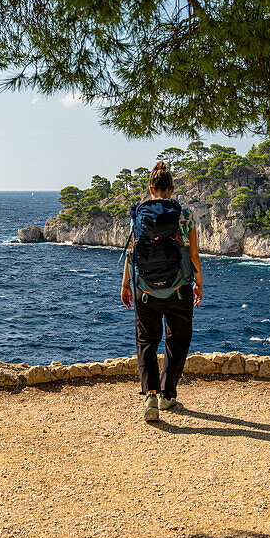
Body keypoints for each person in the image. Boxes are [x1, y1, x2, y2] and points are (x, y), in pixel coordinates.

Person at [121, 161, 203, 422]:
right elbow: (193, 254)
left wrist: (126, 285)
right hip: (179, 289)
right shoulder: (185, 214)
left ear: (151, 188)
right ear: (171, 188)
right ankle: (168, 394)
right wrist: (199, 283)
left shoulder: (138, 215)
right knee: (177, 340)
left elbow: (131, 252)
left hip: (144, 289)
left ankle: (151, 397)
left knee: (146, 341)